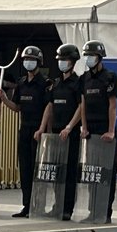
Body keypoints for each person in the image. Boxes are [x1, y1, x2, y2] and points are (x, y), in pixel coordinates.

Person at [0, 45, 48, 218]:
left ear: (39, 62)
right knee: (25, 170)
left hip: (38, 130)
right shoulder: (21, 83)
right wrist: (4, 98)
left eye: (32, 60)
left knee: (37, 170)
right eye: (26, 60)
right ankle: (26, 205)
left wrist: (42, 129)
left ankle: (38, 205)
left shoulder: (44, 83)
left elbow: (49, 108)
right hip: (24, 129)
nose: (28, 63)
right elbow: (17, 107)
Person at [79, 40, 117, 223]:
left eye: (92, 56)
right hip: (91, 131)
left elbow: (113, 106)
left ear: (100, 57)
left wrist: (111, 131)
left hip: (105, 130)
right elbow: (83, 105)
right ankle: (92, 210)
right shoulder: (84, 79)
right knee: (91, 172)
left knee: (106, 175)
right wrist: (84, 127)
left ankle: (105, 212)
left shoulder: (110, 77)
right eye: (86, 55)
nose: (88, 59)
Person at [40, 43, 83, 221]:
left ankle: (67, 208)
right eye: (60, 60)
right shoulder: (56, 83)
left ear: (72, 62)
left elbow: (81, 106)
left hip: (69, 132)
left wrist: (69, 127)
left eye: (65, 60)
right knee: (56, 172)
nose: (62, 63)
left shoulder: (78, 82)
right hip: (56, 133)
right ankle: (57, 205)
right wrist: (44, 129)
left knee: (70, 172)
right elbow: (50, 106)